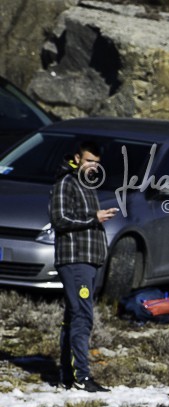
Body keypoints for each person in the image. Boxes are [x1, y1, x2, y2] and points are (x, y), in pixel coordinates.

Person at [50, 140, 113, 392]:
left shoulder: (87, 184)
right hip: (75, 260)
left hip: (89, 260)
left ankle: (68, 374)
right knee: (82, 317)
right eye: (88, 161)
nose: (92, 166)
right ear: (77, 158)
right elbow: (59, 219)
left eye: (96, 163)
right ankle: (81, 377)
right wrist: (93, 218)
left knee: (74, 315)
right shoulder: (66, 182)